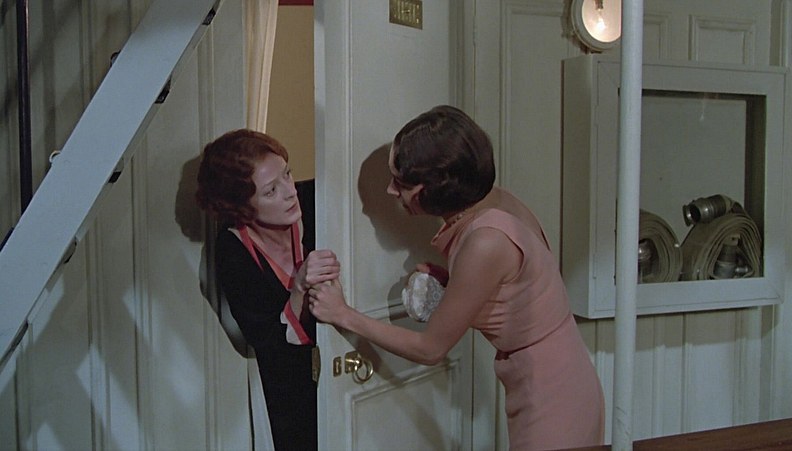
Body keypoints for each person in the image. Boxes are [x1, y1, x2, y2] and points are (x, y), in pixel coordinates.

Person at [308, 105, 604, 450]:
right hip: (561, 372)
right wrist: (455, 283)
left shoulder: (485, 241)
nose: (390, 191)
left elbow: (430, 349)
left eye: (401, 183)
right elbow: (513, 286)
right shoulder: (494, 201)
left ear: (435, 187)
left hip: (552, 393)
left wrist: (343, 314)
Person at [195, 129, 339, 450]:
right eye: (271, 191)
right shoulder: (233, 252)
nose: (290, 192)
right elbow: (269, 345)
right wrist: (299, 288)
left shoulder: (317, 201)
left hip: (344, 371)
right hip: (289, 397)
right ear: (242, 208)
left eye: (287, 174)